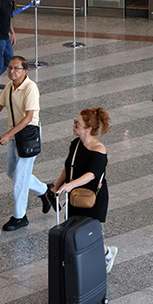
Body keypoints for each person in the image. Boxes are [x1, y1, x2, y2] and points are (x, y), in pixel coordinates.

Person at [0, 56, 52, 231]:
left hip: (27, 136)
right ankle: (44, 191)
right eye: (10, 68)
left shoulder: (30, 88)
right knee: (12, 173)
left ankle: (20, 217)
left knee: (20, 178)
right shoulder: (10, 87)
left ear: (25, 71)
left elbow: (28, 117)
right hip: (14, 135)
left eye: (16, 68)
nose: (12, 71)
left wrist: (8, 134)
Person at [49, 107, 118, 273]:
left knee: (90, 232)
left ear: (88, 128)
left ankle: (107, 252)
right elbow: (68, 169)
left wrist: (70, 185)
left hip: (93, 198)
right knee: (75, 231)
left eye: (77, 124)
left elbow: (92, 175)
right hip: (75, 197)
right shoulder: (75, 144)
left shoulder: (99, 149)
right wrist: (57, 187)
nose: (74, 126)